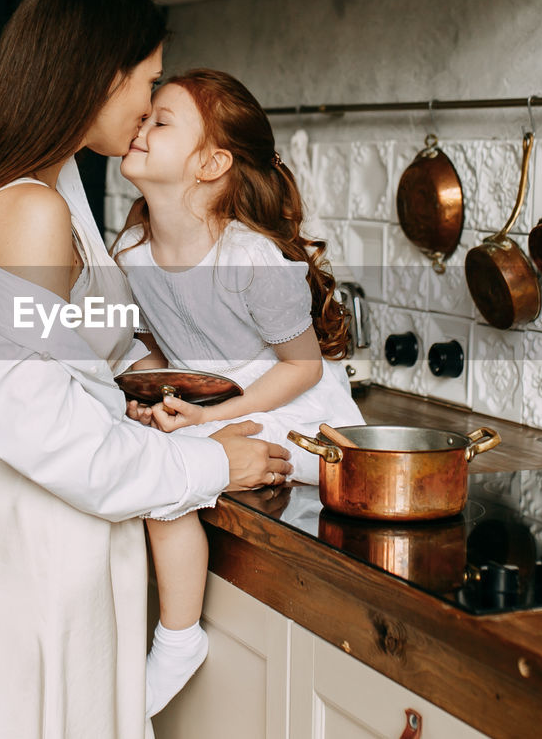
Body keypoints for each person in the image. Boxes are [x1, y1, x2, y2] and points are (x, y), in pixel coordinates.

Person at [0, 0, 292, 739]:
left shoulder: (49, 186)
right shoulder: (29, 210)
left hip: (46, 523)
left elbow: (86, 328)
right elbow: (48, 428)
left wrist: (149, 372)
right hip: (40, 535)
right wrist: (218, 465)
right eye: (148, 80)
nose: (150, 104)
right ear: (100, 76)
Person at [112, 69, 366, 715]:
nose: (140, 127)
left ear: (212, 162)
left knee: (164, 468)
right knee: (150, 448)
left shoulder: (249, 258)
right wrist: (154, 393)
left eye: (160, 121)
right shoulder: (135, 248)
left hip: (297, 419)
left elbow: (303, 368)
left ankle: (178, 636)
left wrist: (212, 414)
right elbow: (159, 345)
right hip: (215, 405)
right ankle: (170, 631)